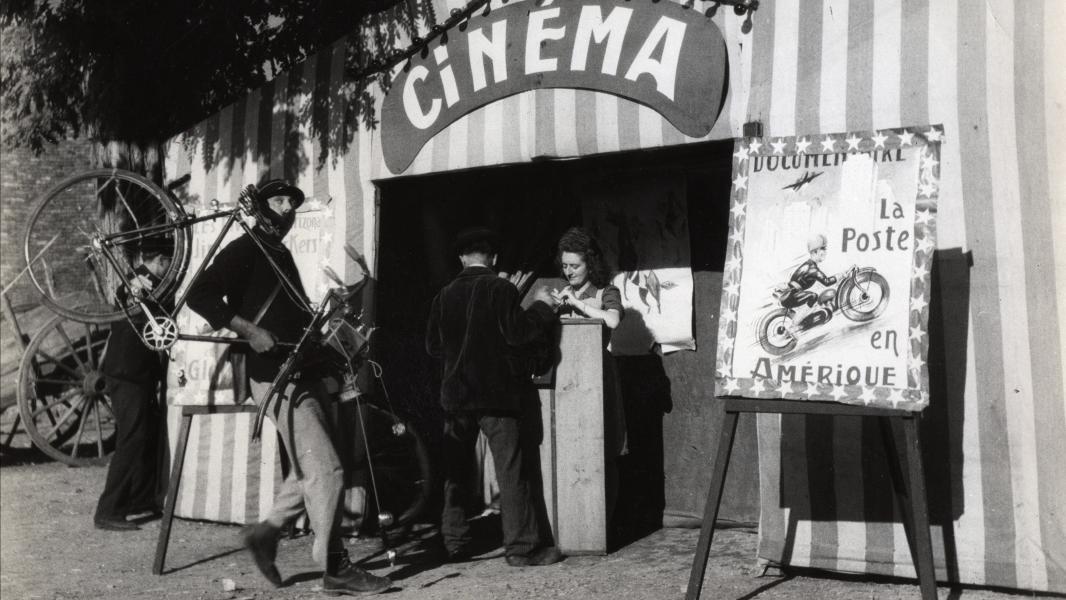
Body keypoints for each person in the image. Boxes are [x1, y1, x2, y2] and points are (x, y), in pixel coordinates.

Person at [186, 179, 390, 595]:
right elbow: (198, 294)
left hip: (301, 370)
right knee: (328, 469)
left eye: (291, 203)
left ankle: (267, 532)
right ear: (261, 208)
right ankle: (335, 568)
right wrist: (248, 329)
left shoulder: (279, 253)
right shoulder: (246, 248)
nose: (286, 209)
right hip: (274, 375)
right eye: (278, 201)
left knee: (312, 465)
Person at [425, 226, 564, 567]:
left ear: (461, 258)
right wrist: (543, 308)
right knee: (511, 471)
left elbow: (433, 347)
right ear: (494, 258)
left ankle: (455, 544)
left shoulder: (443, 295)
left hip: (456, 398)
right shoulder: (501, 289)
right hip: (496, 397)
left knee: (456, 474)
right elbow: (520, 335)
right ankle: (522, 549)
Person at [549, 227, 627, 531]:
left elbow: (612, 319)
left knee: (603, 448)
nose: (569, 272)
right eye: (565, 266)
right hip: (567, 379)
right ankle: (575, 522)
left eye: (575, 266)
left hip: (598, 376)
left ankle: (602, 523)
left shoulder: (606, 291)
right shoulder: (561, 290)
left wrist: (577, 305)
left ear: (590, 264)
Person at [94, 243, 172, 531]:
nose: (170, 269)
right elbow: (136, 313)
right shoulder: (138, 283)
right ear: (160, 260)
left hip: (138, 372)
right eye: (168, 262)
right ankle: (109, 510)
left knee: (147, 433)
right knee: (132, 437)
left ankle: (139, 499)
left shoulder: (145, 282)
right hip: (128, 373)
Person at [778, 233, 837, 329]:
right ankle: (795, 324)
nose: (825, 252)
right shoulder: (812, 269)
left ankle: (806, 318)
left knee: (813, 299)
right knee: (813, 297)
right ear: (814, 252)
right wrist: (840, 275)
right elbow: (827, 282)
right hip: (790, 297)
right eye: (823, 249)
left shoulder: (808, 264)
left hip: (790, 295)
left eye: (825, 248)